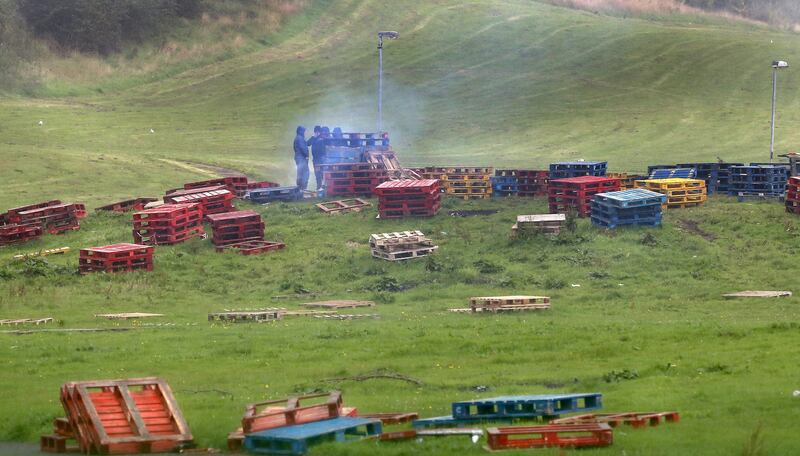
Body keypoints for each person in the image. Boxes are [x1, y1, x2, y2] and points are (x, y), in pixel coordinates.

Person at [307, 126, 327, 191]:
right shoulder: (314, 138)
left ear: (319, 132)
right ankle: (319, 187)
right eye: (315, 132)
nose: (316, 133)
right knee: (317, 174)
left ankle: (322, 187)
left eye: (317, 132)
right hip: (316, 159)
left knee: (321, 173)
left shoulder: (321, 138)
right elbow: (308, 143)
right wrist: (313, 137)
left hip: (321, 159)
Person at [293, 125, 309, 190]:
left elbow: (295, 148)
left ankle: (300, 188)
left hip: (298, 157)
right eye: (303, 131)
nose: (304, 132)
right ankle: (302, 188)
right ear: (301, 131)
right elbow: (303, 148)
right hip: (301, 158)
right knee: (305, 173)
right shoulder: (300, 138)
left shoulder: (297, 138)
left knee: (300, 173)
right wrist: (306, 155)